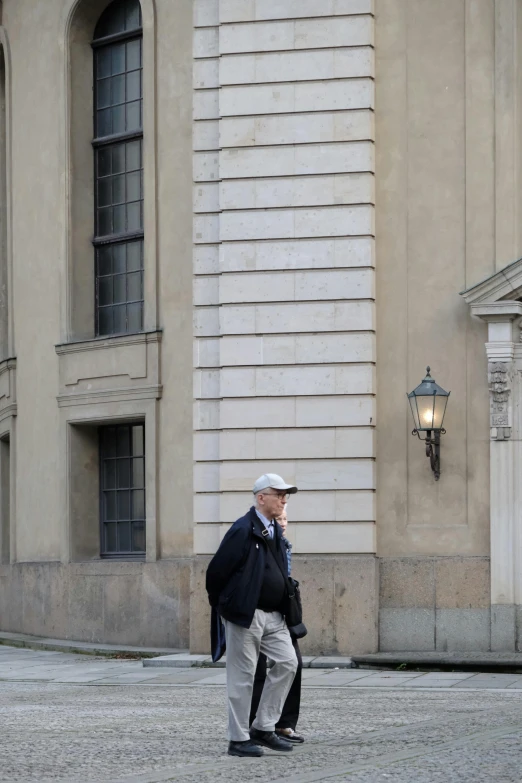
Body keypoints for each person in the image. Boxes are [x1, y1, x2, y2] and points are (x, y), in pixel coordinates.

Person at [206, 474, 299, 758]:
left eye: (286, 495)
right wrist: (228, 606)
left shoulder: (275, 531)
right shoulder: (243, 529)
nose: (284, 499)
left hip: (274, 615)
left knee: (288, 662)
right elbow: (215, 574)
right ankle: (238, 739)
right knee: (243, 676)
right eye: (279, 494)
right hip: (245, 615)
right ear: (261, 498)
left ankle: (263, 727)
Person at [250, 507, 304, 743]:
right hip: (253, 613)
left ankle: (283, 724)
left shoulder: (284, 545)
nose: (282, 522)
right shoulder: (255, 539)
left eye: (285, 518)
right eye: (278, 518)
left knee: (293, 663)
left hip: (281, 615)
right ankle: (255, 725)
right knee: (255, 669)